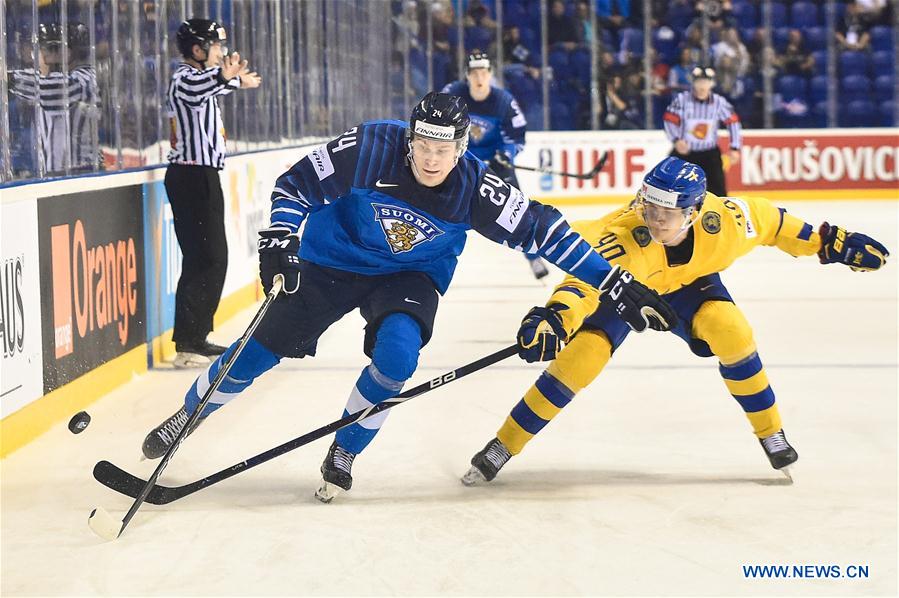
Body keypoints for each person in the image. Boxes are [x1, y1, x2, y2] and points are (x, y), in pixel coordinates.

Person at [140, 92, 676, 503]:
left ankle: (344, 450)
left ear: (462, 148)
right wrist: (279, 238)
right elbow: (294, 184)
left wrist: (616, 283)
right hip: (333, 261)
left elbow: (547, 233)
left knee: (398, 355)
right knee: (257, 350)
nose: (431, 158)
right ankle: (186, 417)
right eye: (423, 145)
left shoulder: (473, 185)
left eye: (444, 149)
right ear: (410, 139)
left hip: (411, 275)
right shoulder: (370, 147)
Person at [460, 157, 890, 486]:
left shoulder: (729, 223)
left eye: (667, 212)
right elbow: (581, 285)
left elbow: (775, 223)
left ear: (697, 210)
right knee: (582, 357)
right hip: (625, 285)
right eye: (649, 205)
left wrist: (832, 243)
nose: (654, 218)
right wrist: (556, 318)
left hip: (689, 286)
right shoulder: (625, 237)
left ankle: (771, 433)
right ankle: (504, 445)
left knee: (731, 330)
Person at [165, 18, 261, 368]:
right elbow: (198, 88)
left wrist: (235, 82)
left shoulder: (202, 81)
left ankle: (195, 337)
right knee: (206, 257)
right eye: (216, 47)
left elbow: (212, 88)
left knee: (210, 257)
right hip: (191, 177)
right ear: (197, 50)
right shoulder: (184, 79)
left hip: (201, 176)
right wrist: (226, 77)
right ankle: (188, 343)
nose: (221, 53)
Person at [442, 52, 550, 280]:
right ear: (467, 76)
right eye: (474, 73)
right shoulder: (452, 94)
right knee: (441, 207)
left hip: (495, 162)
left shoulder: (504, 101)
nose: (479, 78)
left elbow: (517, 137)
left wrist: (506, 155)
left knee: (517, 210)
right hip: (459, 161)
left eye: (483, 72)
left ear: (490, 74)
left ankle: (533, 256)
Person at [663, 65, 741, 197]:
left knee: (718, 193)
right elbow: (669, 120)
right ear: (693, 82)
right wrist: (676, 140)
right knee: (669, 184)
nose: (702, 86)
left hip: (709, 154)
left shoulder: (718, 102)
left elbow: (733, 122)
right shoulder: (682, 100)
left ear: (712, 83)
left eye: (705, 82)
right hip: (685, 153)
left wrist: (735, 147)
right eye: (699, 81)